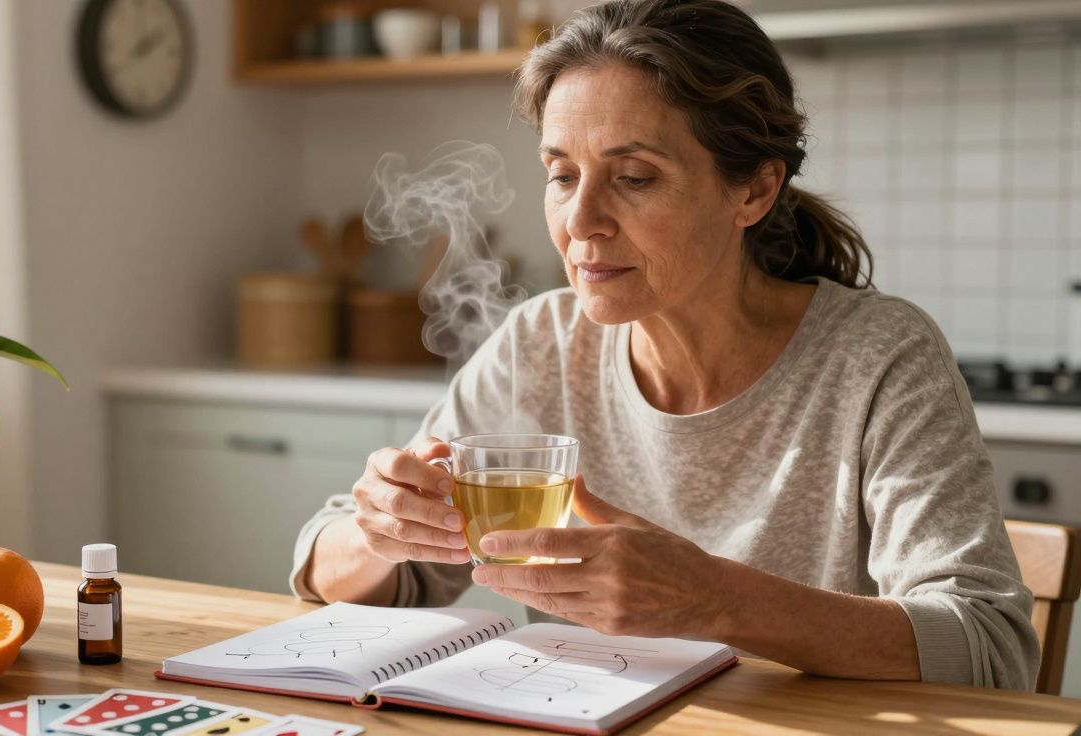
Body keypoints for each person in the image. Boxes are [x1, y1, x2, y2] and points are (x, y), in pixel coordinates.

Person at [288, 0, 1038, 690]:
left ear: (753, 191)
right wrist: (380, 532)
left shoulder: (879, 357)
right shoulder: (541, 342)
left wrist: (715, 599)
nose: (580, 221)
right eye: (562, 175)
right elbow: (328, 568)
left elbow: (989, 650)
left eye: (635, 177)